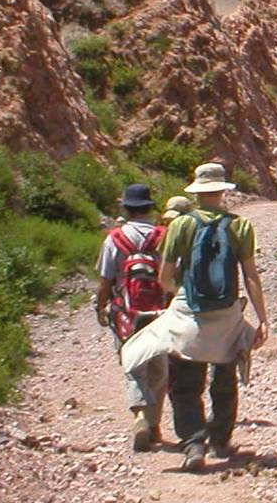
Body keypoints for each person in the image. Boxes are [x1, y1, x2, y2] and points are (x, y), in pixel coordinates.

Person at [121, 162, 268, 472]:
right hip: (227, 313)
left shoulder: (181, 225)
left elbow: (164, 278)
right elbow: (251, 276)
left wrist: (182, 293)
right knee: (225, 379)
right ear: (223, 190)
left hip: (189, 312)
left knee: (187, 384)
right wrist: (263, 318)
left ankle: (193, 444)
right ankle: (220, 441)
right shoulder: (240, 226)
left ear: (197, 191)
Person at [94, 183, 168, 452]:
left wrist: (101, 307)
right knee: (160, 368)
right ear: (150, 208)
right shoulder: (163, 236)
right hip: (160, 313)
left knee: (134, 365)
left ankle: (139, 416)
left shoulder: (114, 239)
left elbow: (106, 279)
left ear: (126, 207)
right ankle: (155, 423)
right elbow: (174, 276)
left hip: (127, 313)